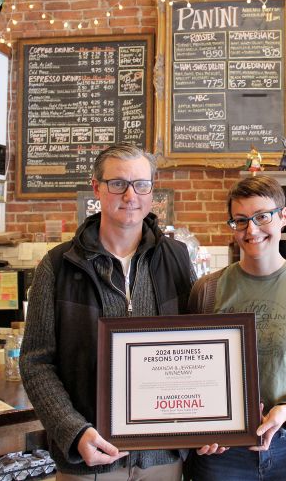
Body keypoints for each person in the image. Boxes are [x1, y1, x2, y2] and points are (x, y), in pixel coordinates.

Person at [20, 144, 197, 480]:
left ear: (152, 191)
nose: (130, 195)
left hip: (164, 456)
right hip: (91, 458)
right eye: (117, 184)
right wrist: (73, 431)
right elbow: (35, 361)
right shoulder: (58, 266)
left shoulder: (177, 258)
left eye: (141, 184)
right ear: (96, 187)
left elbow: (197, 349)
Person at [186, 175, 286, 480]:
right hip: (222, 455)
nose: (252, 229)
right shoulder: (206, 290)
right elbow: (193, 372)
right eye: (241, 220)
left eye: (262, 217)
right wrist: (200, 428)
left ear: (283, 217)